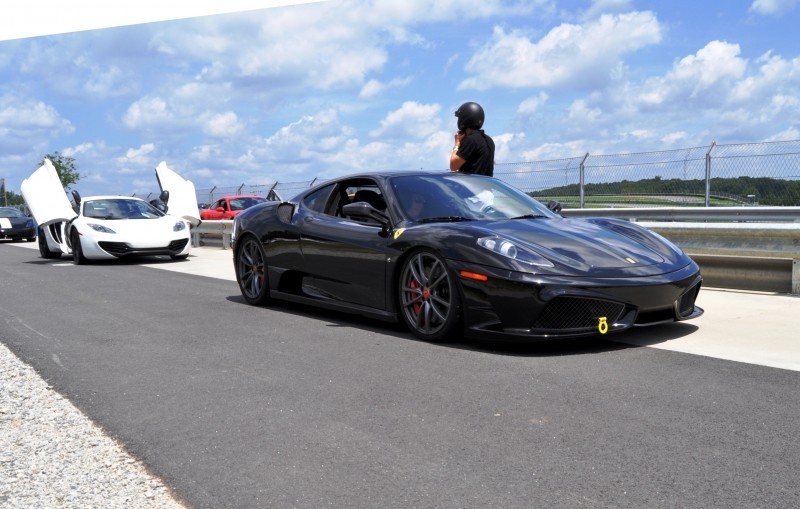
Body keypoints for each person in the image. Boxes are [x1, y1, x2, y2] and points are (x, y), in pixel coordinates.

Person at [450, 101, 495, 176]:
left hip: (471, 185)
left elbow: (453, 166)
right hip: (486, 185)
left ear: (464, 119)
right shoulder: (489, 140)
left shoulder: (470, 140)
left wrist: (457, 144)